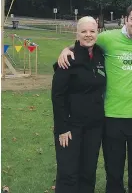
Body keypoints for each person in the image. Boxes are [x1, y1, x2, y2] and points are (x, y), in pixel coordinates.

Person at [57, 4, 132, 193]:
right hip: (111, 117)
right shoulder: (108, 38)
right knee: (114, 173)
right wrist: (66, 50)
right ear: (126, 19)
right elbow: (85, 40)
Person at [51, 16, 106, 193]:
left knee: (88, 172)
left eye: (92, 31)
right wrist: (62, 128)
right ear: (77, 33)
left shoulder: (100, 54)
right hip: (70, 127)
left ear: (98, 32)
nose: (88, 35)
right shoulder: (68, 58)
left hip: (94, 126)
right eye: (84, 31)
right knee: (69, 174)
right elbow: (57, 95)